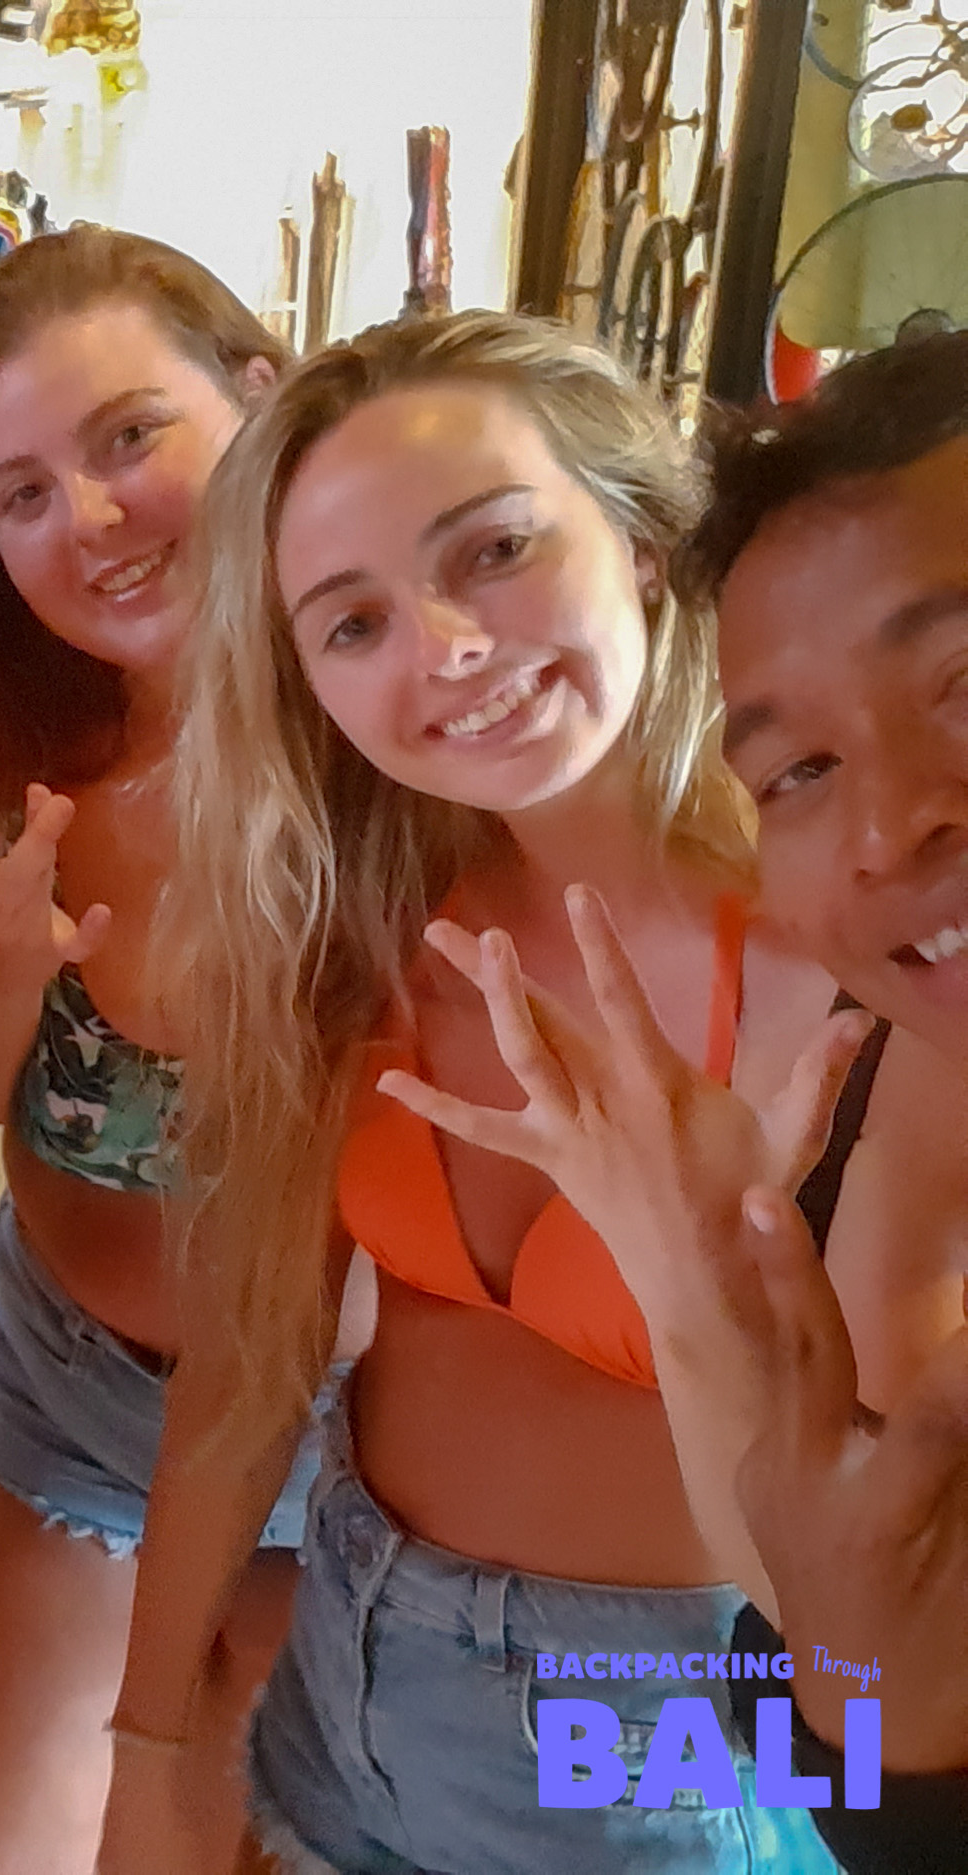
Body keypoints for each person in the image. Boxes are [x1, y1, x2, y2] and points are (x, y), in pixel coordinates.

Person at [122, 311, 847, 1871]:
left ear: (642, 541)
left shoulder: (849, 964)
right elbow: (249, 1361)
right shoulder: (366, 933)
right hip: (339, 1678)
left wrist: (691, 1270)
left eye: (496, 548)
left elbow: (859, 1602)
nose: (447, 645)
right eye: (352, 622)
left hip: (652, 1735)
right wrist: (148, 1740)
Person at [372, 331, 968, 1870]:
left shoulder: (854, 1012)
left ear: (635, 548)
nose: (893, 821)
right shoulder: (374, 924)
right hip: (385, 1684)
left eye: (963, 679)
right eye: (803, 768)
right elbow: (837, 1638)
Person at [0, 225, 303, 1872]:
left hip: (387, 1460)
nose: (92, 521)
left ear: (260, 394)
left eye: (130, 436)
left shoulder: (417, 744)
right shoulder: (13, 766)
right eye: (24, 494)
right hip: (75, 1410)